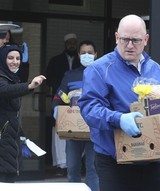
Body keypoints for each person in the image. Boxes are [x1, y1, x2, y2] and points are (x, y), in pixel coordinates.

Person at [78, 14, 160, 191]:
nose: (129, 45)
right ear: (117, 37)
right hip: (114, 160)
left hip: (150, 158)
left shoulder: (155, 69)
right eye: (125, 39)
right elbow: (89, 109)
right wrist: (119, 119)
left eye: (135, 40)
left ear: (146, 39)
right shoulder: (99, 69)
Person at [52, 40, 99, 191]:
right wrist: (56, 109)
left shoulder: (102, 74)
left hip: (94, 130)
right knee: (72, 168)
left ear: (96, 55)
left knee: (93, 170)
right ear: (79, 55)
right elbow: (59, 96)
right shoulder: (70, 75)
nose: (87, 55)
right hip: (74, 130)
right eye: (83, 53)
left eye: (90, 53)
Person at [0, 44, 46, 182]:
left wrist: (21, 135)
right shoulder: (2, 78)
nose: (15, 61)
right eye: (10, 58)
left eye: (18, 58)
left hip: (10, 140)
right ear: (2, 59)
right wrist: (30, 86)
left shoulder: (11, 78)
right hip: (3, 141)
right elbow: (6, 90)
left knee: (9, 177)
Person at [46, 33, 81, 176]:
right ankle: (62, 166)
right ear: (65, 44)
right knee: (60, 134)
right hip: (60, 100)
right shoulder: (55, 60)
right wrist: (63, 88)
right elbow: (49, 79)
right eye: (69, 43)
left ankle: (77, 164)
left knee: (79, 131)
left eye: (74, 42)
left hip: (79, 103)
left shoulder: (82, 62)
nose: (71, 45)